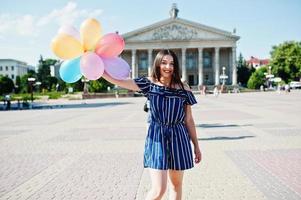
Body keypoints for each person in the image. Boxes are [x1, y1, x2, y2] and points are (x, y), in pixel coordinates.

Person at [102, 49, 202, 200]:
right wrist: (101, 72)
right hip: (157, 137)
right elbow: (121, 81)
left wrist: (196, 146)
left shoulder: (184, 88)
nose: (168, 67)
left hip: (179, 137)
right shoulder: (149, 84)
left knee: (176, 185)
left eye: (171, 63)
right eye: (164, 63)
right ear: (157, 64)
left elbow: (189, 120)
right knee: (159, 190)